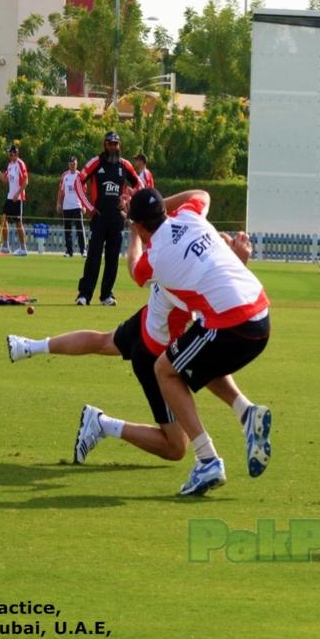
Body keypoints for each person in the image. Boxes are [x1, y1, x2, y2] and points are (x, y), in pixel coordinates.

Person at [5, 238, 272, 475]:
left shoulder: (167, 252)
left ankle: (29, 346)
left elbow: (134, 261)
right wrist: (240, 264)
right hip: (156, 355)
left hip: (145, 323)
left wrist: (133, 232)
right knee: (175, 447)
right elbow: (222, 304)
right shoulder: (188, 278)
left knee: (102, 341)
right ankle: (102, 425)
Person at [126, 186, 272, 496]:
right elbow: (203, 193)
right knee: (195, 361)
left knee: (165, 369)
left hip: (233, 322)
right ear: (164, 212)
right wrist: (158, 207)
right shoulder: (190, 214)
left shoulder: (155, 257)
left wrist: (133, 231)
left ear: (140, 225)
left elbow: (134, 271)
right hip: (260, 313)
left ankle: (207, 460)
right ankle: (247, 413)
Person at [74, 131, 140, 306]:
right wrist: (89, 207)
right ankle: (84, 295)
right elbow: (78, 182)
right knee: (93, 257)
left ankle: (106, 296)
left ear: (119, 145)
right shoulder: (96, 162)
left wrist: (128, 201)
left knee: (112, 259)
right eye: (110, 143)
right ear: (105, 144)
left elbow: (139, 185)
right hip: (99, 217)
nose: (113, 147)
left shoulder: (124, 165)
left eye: (116, 143)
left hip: (117, 219)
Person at [0, 144, 28, 256]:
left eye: (12, 154)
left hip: (18, 198)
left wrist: (18, 194)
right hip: (9, 197)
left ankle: (23, 248)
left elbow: (26, 181)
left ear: (16, 153)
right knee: (3, 219)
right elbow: (4, 179)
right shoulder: (10, 165)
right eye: (9, 154)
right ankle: (6, 246)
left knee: (18, 223)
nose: (10, 156)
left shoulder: (20, 164)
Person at [56, 156, 86, 258]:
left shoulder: (80, 176)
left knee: (80, 230)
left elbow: (84, 192)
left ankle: (83, 250)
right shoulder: (65, 175)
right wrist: (59, 203)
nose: (72, 166)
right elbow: (61, 191)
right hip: (67, 206)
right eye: (70, 164)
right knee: (67, 230)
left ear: (76, 164)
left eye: (74, 164)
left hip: (77, 206)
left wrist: (84, 205)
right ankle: (69, 251)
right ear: (68, 165)